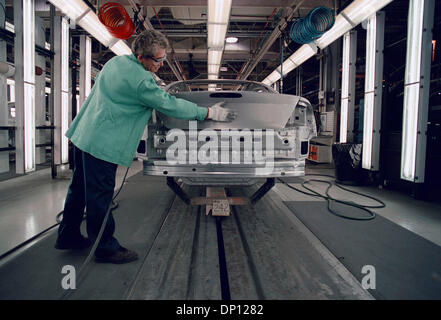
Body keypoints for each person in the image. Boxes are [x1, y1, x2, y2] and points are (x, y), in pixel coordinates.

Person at [55, 30, 237, 264]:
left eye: (163, 59)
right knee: (100, 196)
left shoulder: (116, 62)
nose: (161, 64)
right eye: (158, 60)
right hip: (103, 144)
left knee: (79, 190)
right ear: (141, 56)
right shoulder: (141, 81)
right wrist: (209, 112)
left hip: (83, 135)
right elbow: (169, 105)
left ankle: (67, 235)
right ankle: (105, 248)